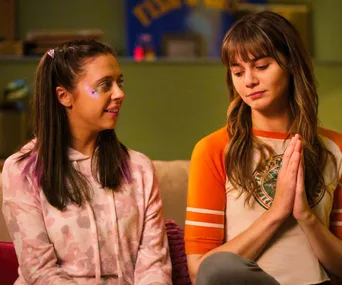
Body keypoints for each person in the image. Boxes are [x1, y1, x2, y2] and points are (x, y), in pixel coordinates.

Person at [184, 11, 342, 285]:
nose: (249, 81)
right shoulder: (213, 149)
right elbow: (203, 271)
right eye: (237, 71)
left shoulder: (335, 147)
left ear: (291, 63)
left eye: (261, 66)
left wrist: (307, 217)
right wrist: (277, 212)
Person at [2, 39, 172, 285]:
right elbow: (40, 272)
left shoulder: (139, 169)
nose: (120, 94)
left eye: (119, 83)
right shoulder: (23, 170)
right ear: (64, 96)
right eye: (105, 85)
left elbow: (154, 265)